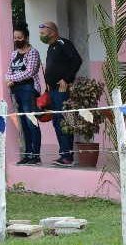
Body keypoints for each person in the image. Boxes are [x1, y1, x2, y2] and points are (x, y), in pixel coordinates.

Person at [39, 21, 82, 167]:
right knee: (57, 122)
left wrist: (67, 79)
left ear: (52, 31)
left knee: (65, 121)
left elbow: (77, 60)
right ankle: (63, 154)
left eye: (43, 33)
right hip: (52, 90)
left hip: (62, 90)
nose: (41, 36)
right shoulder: (51, 47)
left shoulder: (64, 43)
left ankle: (68, 157)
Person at [6, 23, 42, 166]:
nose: (17, 40)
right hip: (16, 91)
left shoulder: (33, 52)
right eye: (15, 38)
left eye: (20, 37)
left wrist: (12, 79)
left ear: (26, 37)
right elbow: (9, 70)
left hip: (28, 90)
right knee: (23, 124)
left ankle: (36, 154)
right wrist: (8, 78)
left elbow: (30, 72)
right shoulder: (14, 53)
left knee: (31, 122)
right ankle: (27, 153)